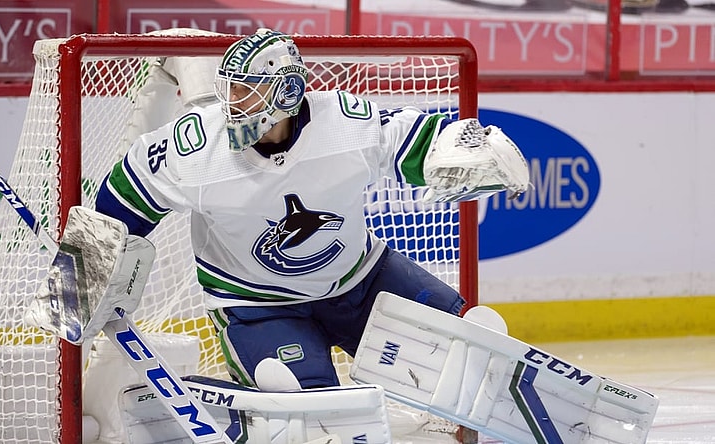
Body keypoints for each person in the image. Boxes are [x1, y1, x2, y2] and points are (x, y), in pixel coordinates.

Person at [94, 28, 529, 389]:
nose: (232, 106)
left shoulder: (342, 125)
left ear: (287, 91)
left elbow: (414, 140)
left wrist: (462, 149)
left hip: (361, 280)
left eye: (247, 93)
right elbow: (121, 200)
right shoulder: (195, 147)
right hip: (259, 303)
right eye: (230, 91)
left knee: (467, 352)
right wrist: (94, 264)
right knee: (304, 402)